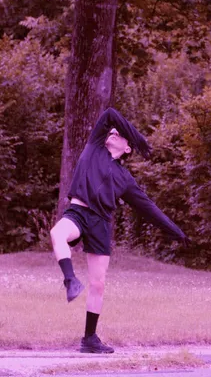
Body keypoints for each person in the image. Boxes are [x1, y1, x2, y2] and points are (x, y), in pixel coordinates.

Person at [50, 107, 189, 354]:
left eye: (120, 134)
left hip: (101, 224)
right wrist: (137, 137)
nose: (113, 132)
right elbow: (110, 115)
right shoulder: (94, 147)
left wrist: (176, 232)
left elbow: (148, 208)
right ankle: (70, 280)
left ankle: (89, 339)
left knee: (98, 284)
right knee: (57, 234)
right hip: (78, 213)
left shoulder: (124, 178)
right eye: (114, 131)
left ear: (127, 149)